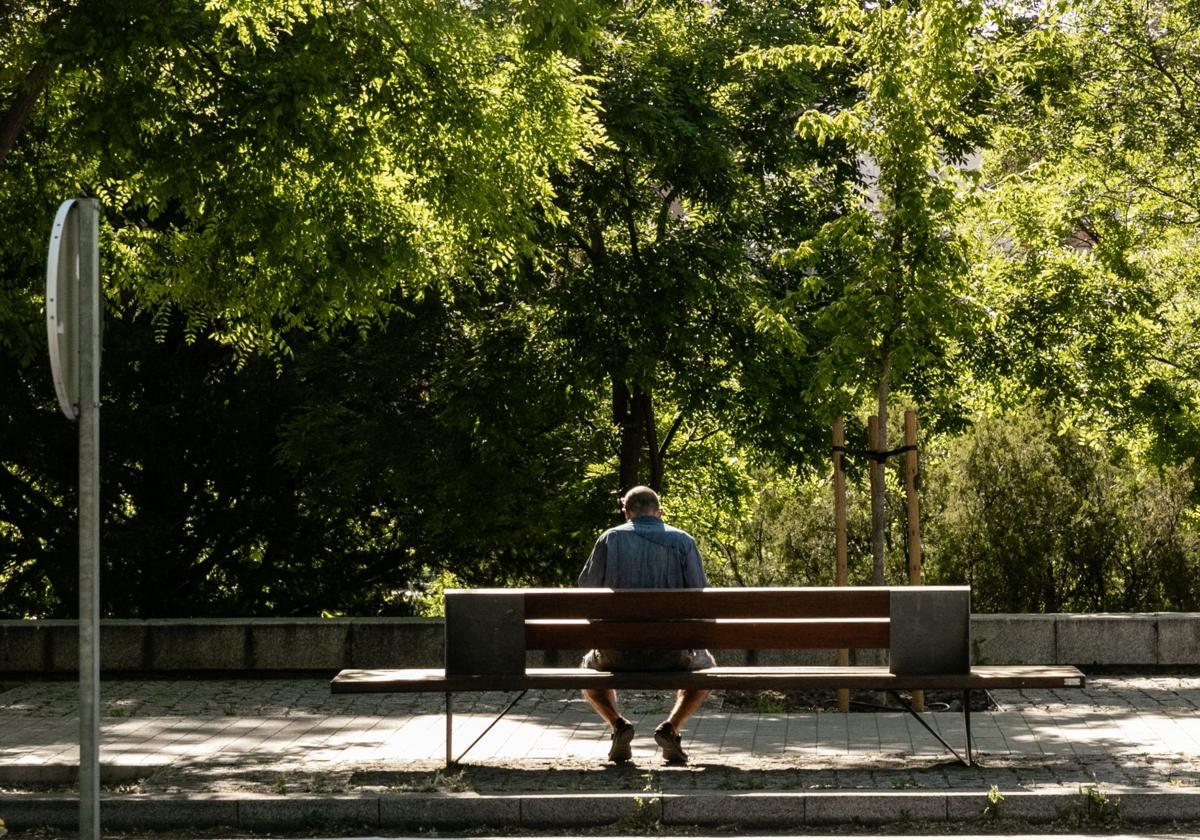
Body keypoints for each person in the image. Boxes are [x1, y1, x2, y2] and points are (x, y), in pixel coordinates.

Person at [577, 485, 714, 765]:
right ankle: (671, 728)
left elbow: (586, 593)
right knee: (707, 666)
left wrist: (605, 631)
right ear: (660, 512)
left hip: (617, 654)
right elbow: (701, 600)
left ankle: (618, 725)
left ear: (625, 511)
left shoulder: (609, 539)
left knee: (588, 668)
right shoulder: (683, 541)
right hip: (673, 654)